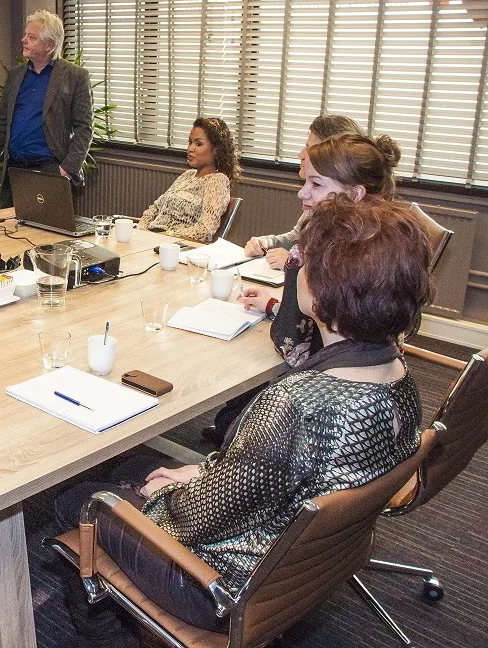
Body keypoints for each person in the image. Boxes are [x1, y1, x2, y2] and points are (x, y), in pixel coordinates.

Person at [54, 197, 432, 648]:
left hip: (223, 585)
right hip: (300, 568)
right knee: (137, 473)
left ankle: (105, 636)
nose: (295, 266)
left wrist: (170, 490)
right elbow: (287, 468)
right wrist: (210, 468)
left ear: (328, 288)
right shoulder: (401, 380)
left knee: (81, 499)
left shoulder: (294, 404)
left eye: (303, 262)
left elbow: (196, 518)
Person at [201, 132, 402, 446]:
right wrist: (275, 304)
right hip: (373, 389)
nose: (302, 193)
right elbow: (330, 321)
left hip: (321, 401)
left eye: (316, 184)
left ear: (357, 193)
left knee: (231, 416)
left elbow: (292, 342)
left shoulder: (325, 255)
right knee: (231, 414)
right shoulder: (383, 242)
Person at [0, 9, 94, 208]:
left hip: (50, 170)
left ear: (49, 44)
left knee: (47, 236)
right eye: (26, 34)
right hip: (14, 170)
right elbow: (3, 119)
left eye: (31, 37)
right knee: (7, 232)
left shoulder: (75, 77)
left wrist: (66, 169)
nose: (24, 40)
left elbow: (85, 128)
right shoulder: (16, 75)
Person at [243, 114, 364, 270]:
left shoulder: (358, 233)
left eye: (309, 148)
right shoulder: (320, 202)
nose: (301, 154)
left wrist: (296, 263)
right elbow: (297, 237)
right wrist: (267, 243)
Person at [136, 117, 239, 243]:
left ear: (217, 150)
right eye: (190, 142)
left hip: (173, 246)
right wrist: (141, 229)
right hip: (150, 238)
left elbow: (205, 229)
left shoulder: (218, 181)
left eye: (198, 143)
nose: (190, 148)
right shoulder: (187, 175)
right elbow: (155, 208)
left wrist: (168, 235)